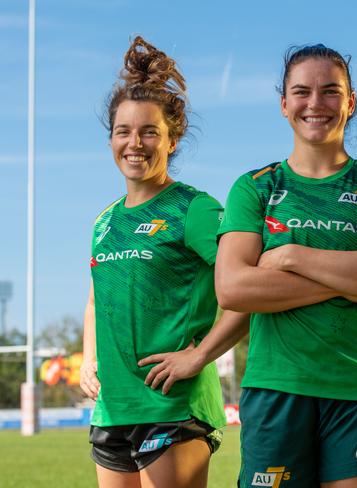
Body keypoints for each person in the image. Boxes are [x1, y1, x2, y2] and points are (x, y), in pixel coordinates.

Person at [214, 44, 357, 488]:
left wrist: (290, 257)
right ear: (284, 103)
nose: (316, 104)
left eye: (330, 92)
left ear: (350, 102)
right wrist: (349, 282)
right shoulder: (255, 187)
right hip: (276, 389)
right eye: (302, 91)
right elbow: (233, 288)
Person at [79, 36, 248, 488]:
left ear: (172, 140)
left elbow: (249, 290)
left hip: (173, 406)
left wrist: (200, 355)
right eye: (123, 131)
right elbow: (97, 299)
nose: (135, 143)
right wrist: (88, 359)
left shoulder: (193, 209)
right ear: (111, 138)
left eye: (149, 131)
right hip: (113, 407)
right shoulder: (103, 222)